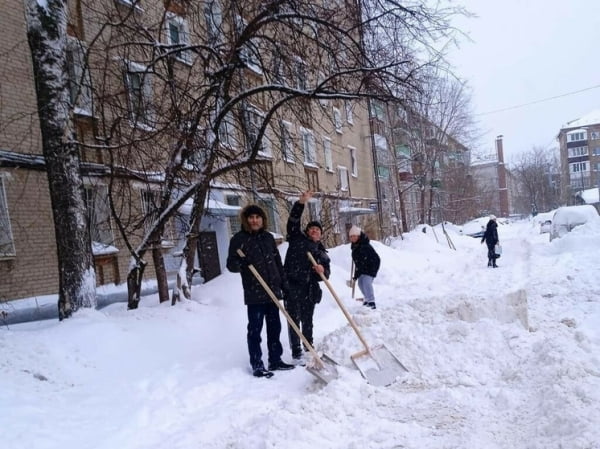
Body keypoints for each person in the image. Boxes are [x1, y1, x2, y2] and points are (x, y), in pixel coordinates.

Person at [227, 204, 295, 378]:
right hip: (254, 293)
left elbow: (277, 262)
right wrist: (241, 263)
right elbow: (230, 265)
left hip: (272, 291)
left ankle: (275, 360)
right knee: (255, 331)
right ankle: (257, 364)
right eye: (251, 217)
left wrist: (284, 284)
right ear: (246, 220)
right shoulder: (238, 240)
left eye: (257, 217)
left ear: (262, 220)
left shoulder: (268, 238)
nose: (254, 220)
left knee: (275, 328)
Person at [283, 191, 330, 361]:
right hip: (292, 285)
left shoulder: (322, 253)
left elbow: (326, 275)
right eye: (312, 229)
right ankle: (296, 350)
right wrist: (301, 203)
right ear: (307, 231)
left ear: (320, 234)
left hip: (309, 289)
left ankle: (308, 346)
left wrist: (321, 271)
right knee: (293, 320)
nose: (314, 231)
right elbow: (293, 223)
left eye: (317, 230)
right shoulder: (297, 239)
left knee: (307, 320)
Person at [348, 225, 380, 310]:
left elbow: (374, 259)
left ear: (358, 236)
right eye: (351, 236)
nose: (352, 238)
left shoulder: (365, 246)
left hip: (371, 267)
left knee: (366, 282)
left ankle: (371, 301)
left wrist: (372, 270)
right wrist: (356, 275)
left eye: (354, 236)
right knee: (360, 283)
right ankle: (366, 298)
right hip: (363, 269)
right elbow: (358, 264)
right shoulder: (355, 247)